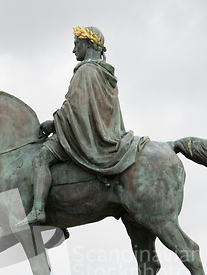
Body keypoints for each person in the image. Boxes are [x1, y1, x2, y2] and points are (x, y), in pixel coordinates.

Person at [19, 26, 140, 226]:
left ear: (88, 44)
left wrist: (54, 123)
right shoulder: (105, 73)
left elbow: (73, 107)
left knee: (41, 159)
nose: (73, 49)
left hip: (82, 134)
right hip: (104, 132)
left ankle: (39, 210)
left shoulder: (85, 71)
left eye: (76, 44)